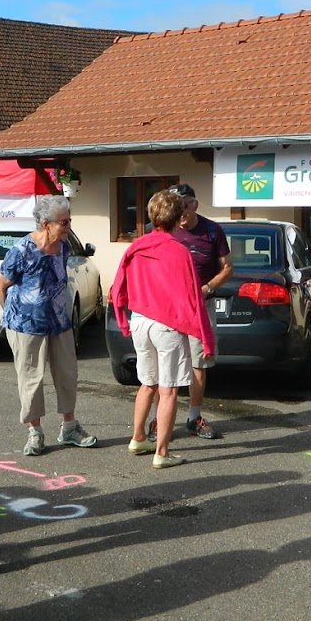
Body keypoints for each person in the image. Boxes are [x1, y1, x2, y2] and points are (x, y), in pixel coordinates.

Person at [110, 190, 215, 470]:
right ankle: (162, 452)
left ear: (151, 215)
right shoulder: (180, 251)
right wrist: (205, 337)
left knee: (148, 384)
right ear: (178, 217)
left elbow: (117, 286)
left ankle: (138, 438)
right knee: (168, 391)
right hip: (167, 325)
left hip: (140, 321)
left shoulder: (136, 246)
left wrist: (122, 319)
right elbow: (193, 296)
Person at [0, 195, 100, 456]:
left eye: (69, 220)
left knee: (67, 374)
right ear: (45, 224)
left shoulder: (63, 247)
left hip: (60, 322)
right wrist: (13, 316)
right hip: (26, 326)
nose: (68, 226)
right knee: (31, 378)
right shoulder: (22, 251)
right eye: (64, 222)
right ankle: (35, 433)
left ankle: (69, 427)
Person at [166, 183, 233, 439]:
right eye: (176, 206)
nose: (181, 211)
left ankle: (194, 417)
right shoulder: (166, 230)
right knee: (167, 363)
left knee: (198, 362)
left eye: (185, 205)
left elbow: (227, 268)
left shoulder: (212, 230)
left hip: (200, 307)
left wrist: (207, 288)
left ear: (195, 204)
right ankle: (160, 420)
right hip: (170, 308)